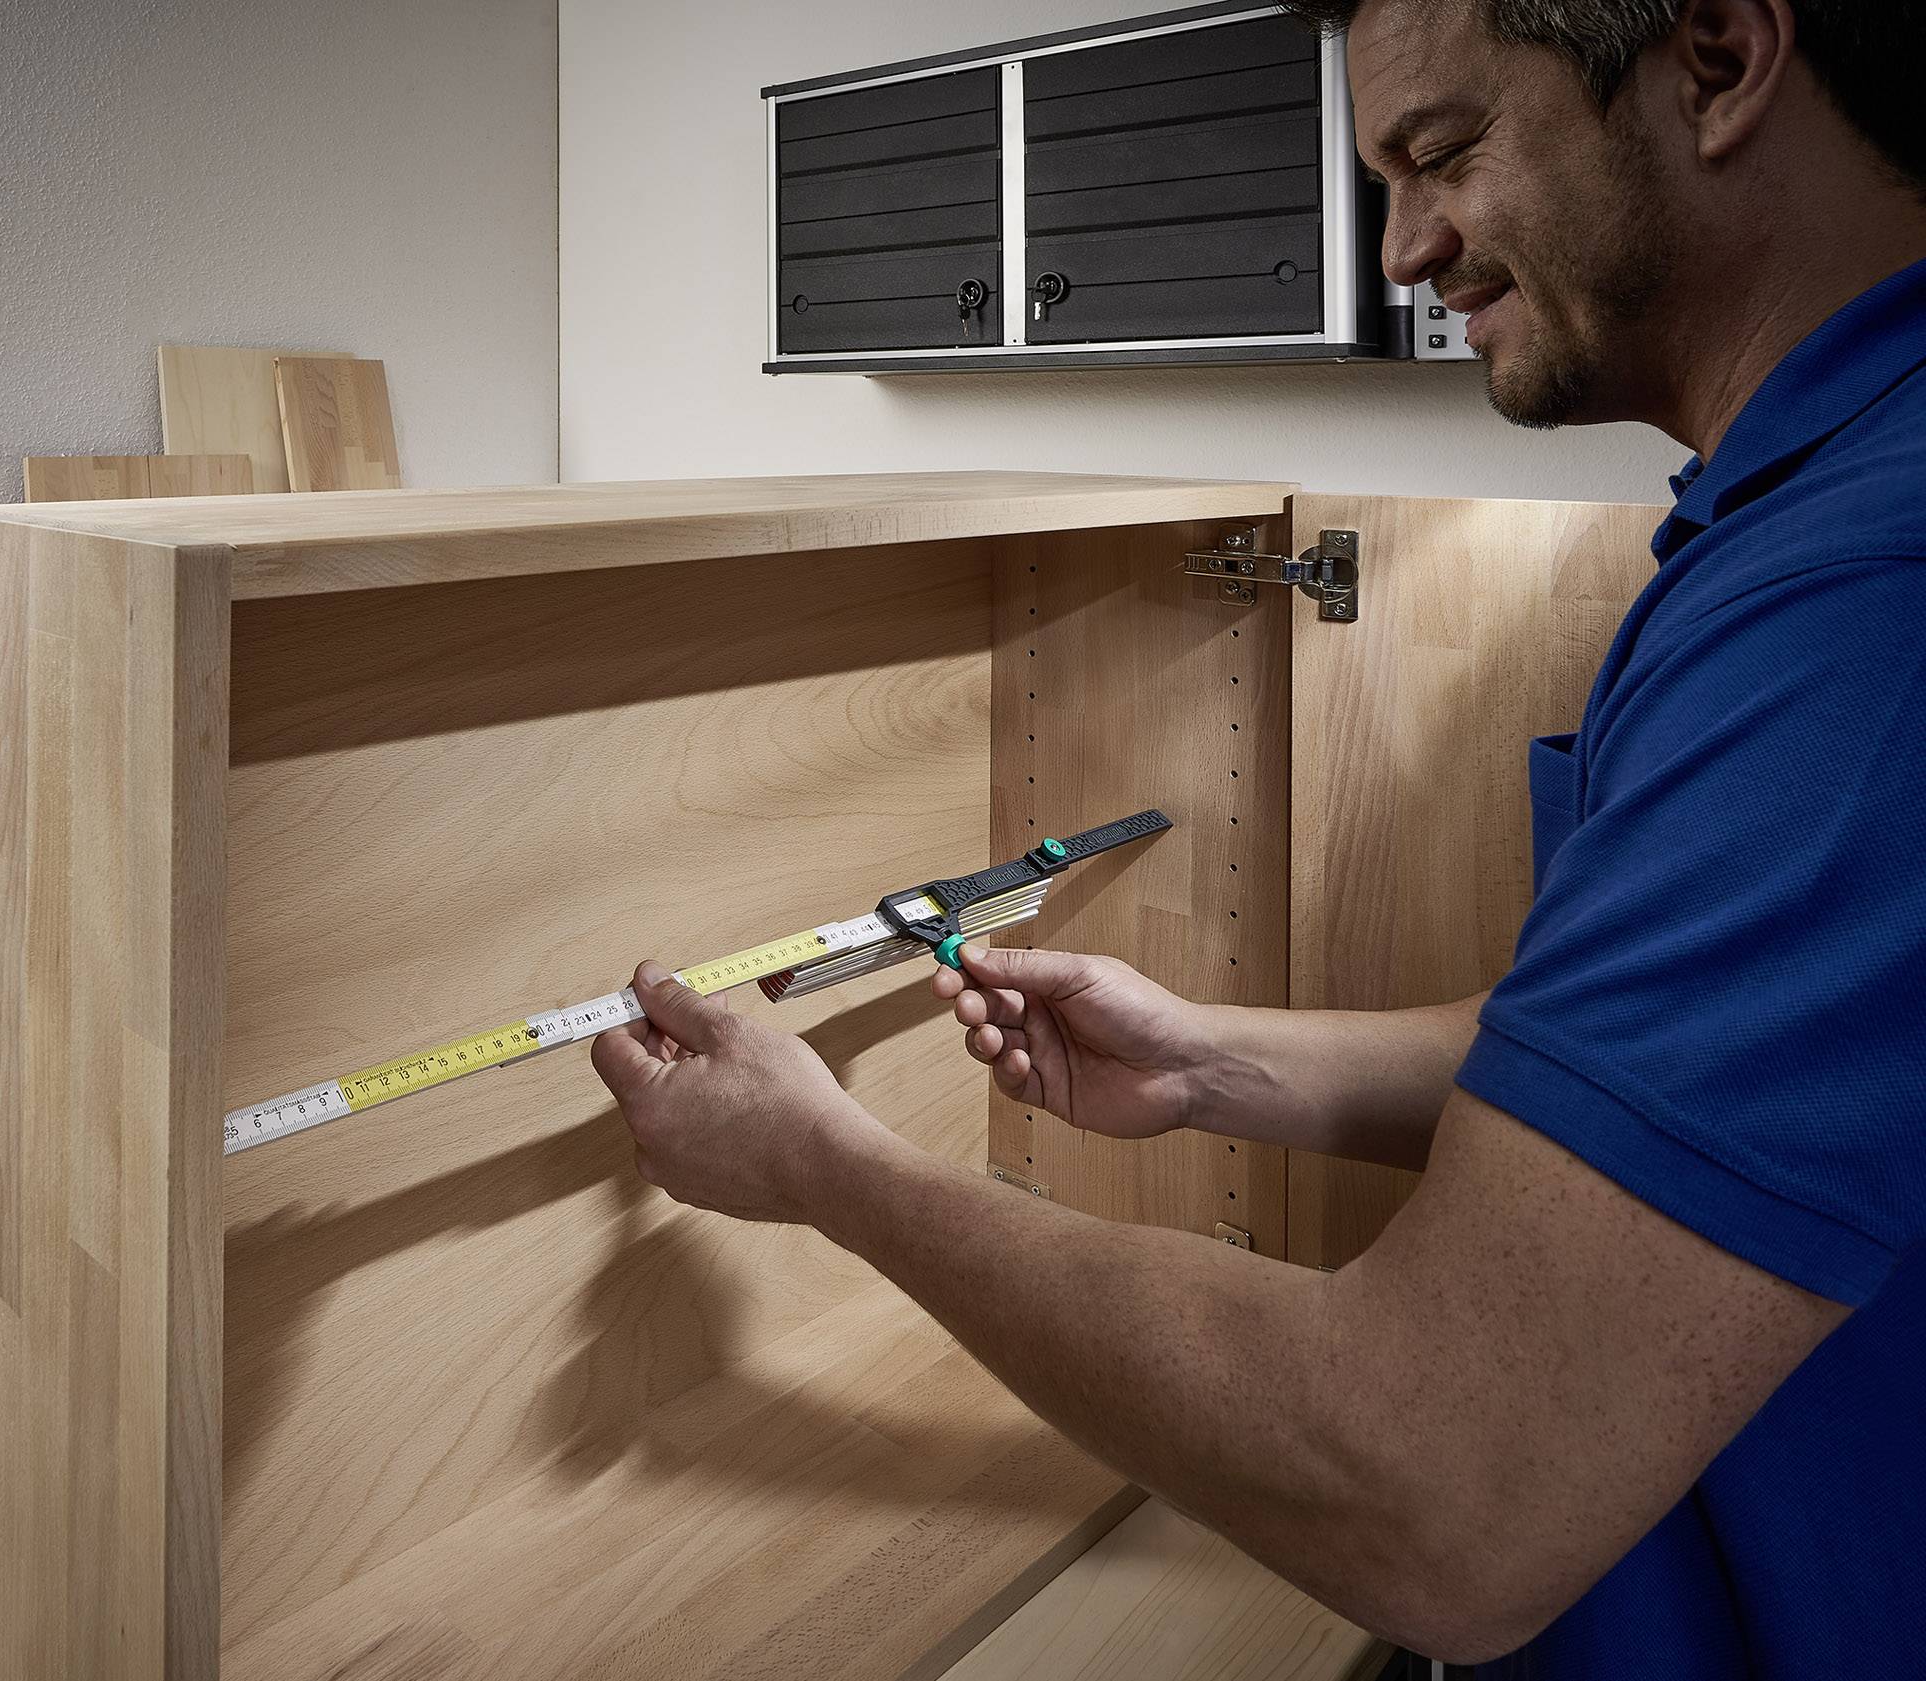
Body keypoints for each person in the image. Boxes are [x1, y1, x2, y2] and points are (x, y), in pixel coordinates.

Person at [590, 1, 1925, 1673]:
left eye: (1442, 153)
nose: (1404, 244)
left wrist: (832, 1168)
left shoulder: (1858, 612)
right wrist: (1225, 1065)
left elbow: (1436, 1484)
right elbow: (1684, 1089)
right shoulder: (1786, 523)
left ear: (1719, 62)